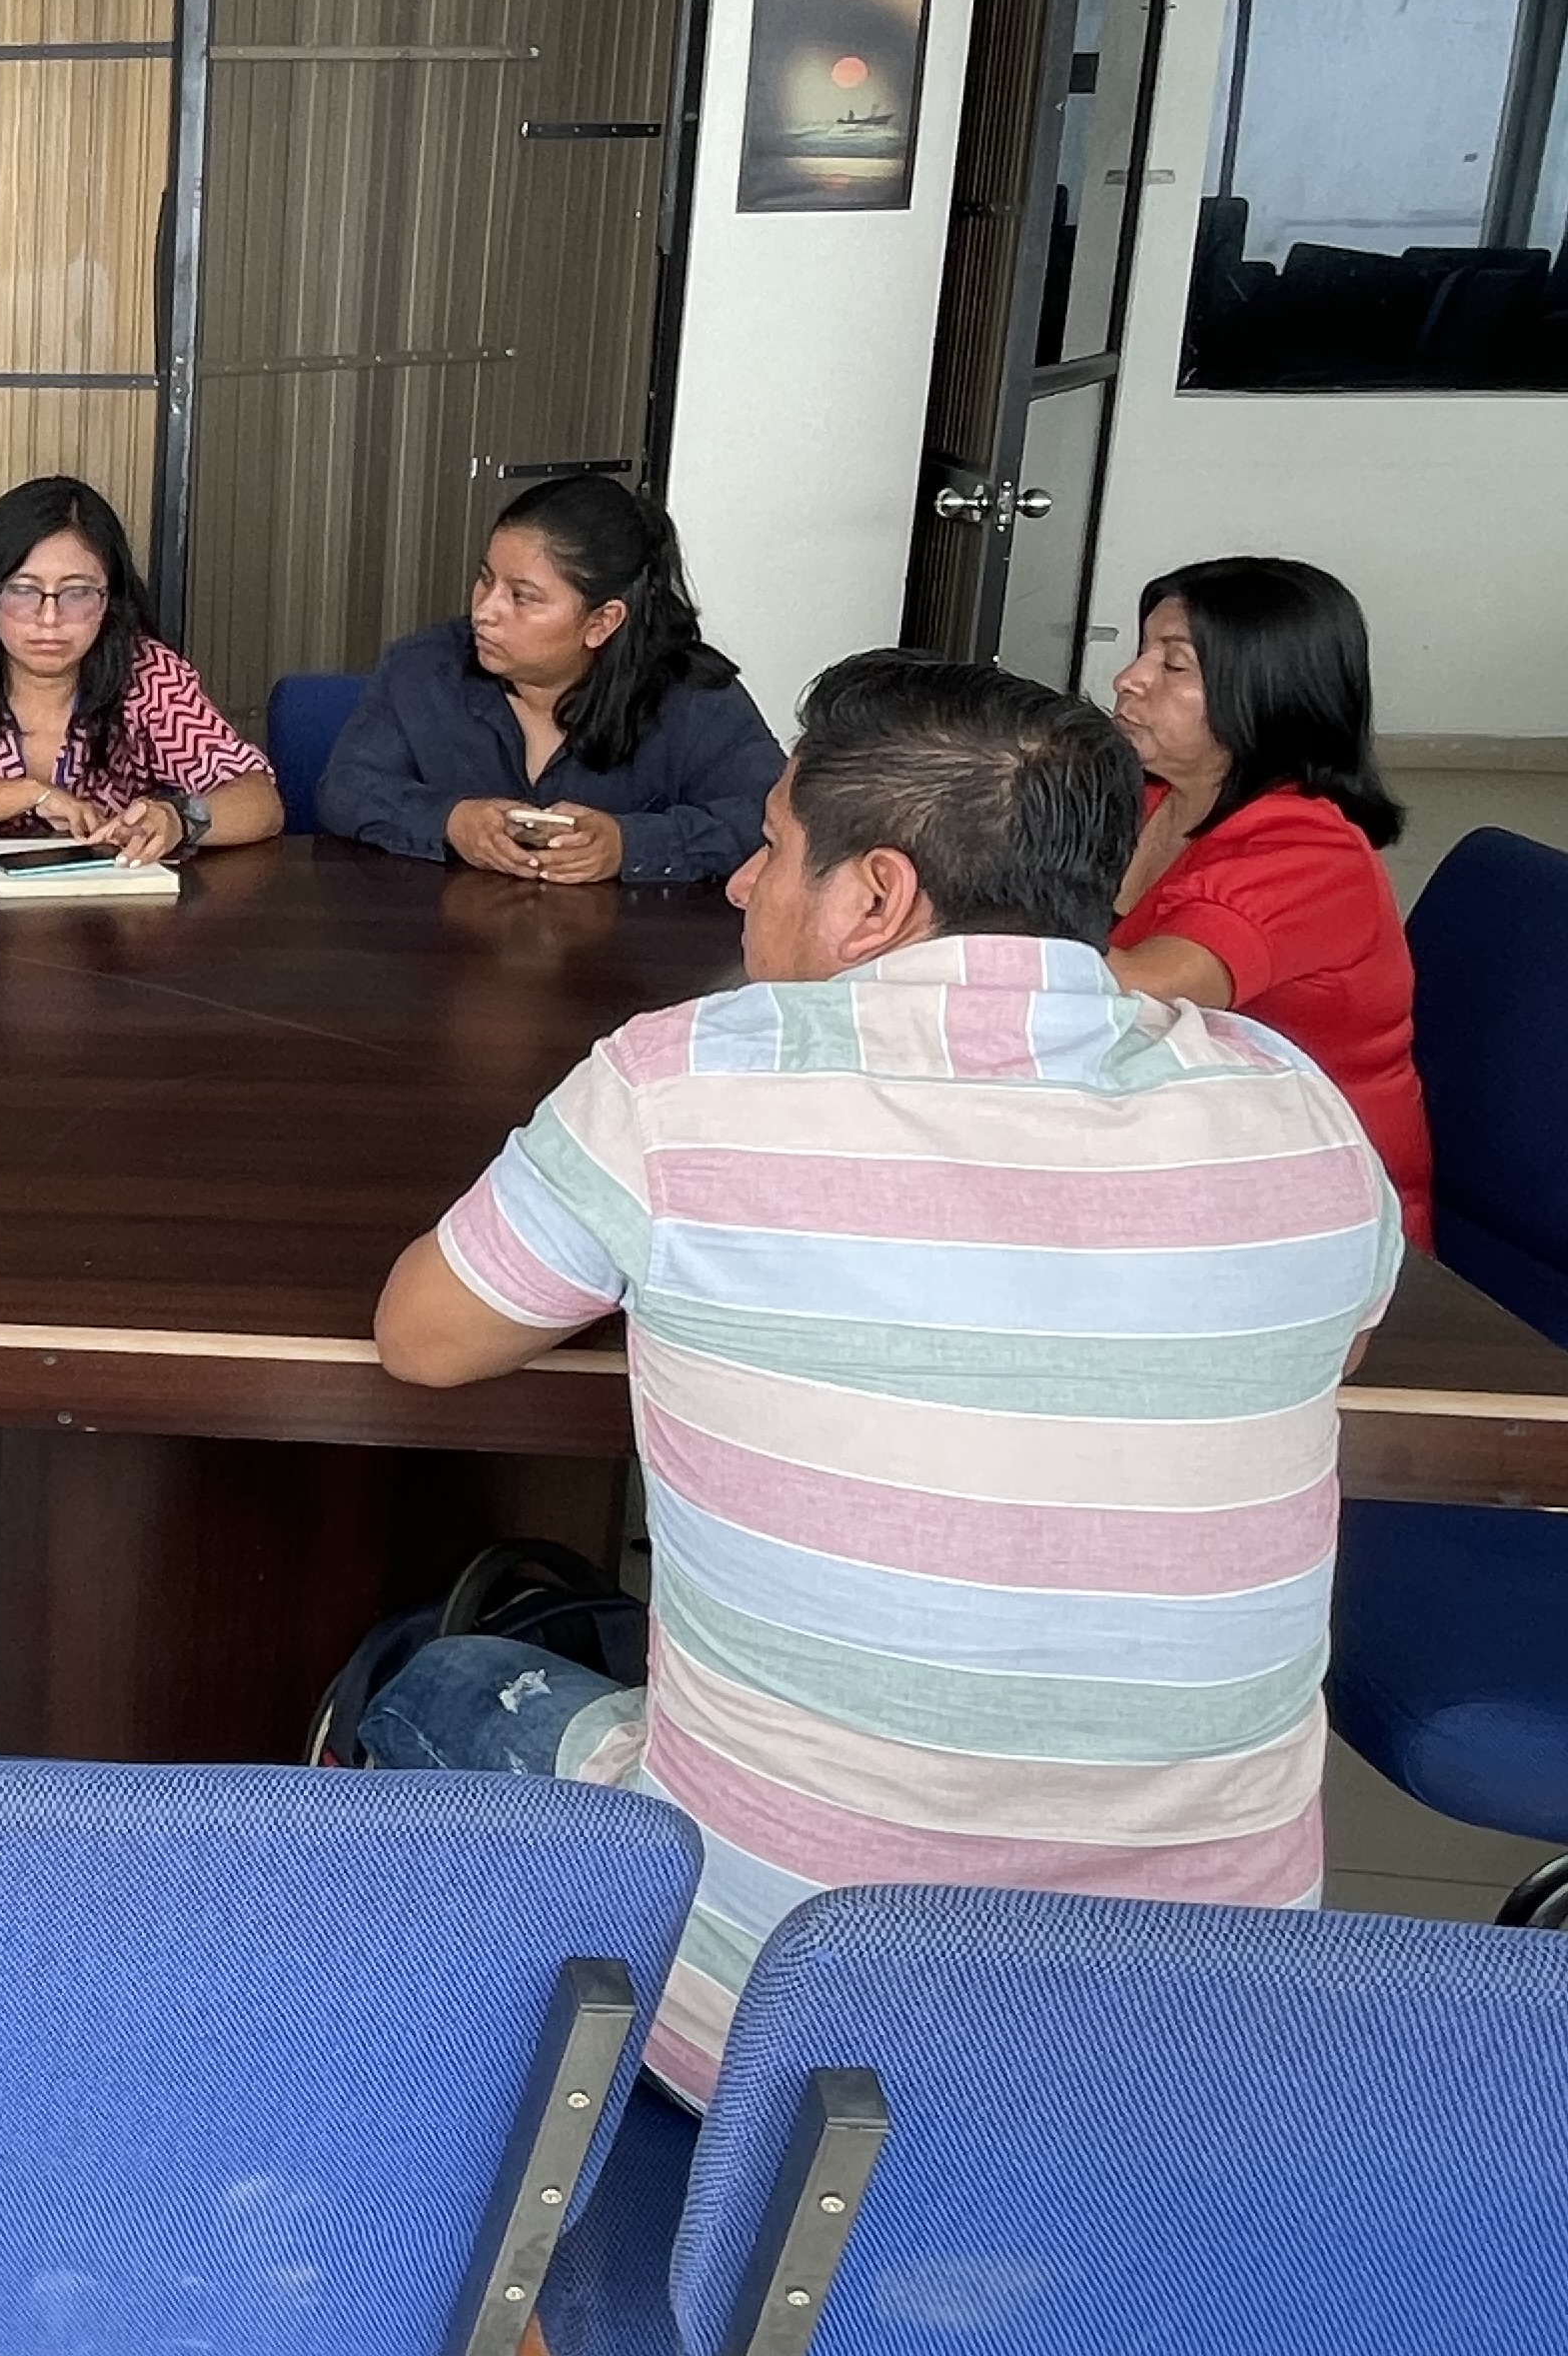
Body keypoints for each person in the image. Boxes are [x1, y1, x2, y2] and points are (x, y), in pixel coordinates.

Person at [363, 653, 1400, 2110]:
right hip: (1212, 2035)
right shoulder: (1290, 1103)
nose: (742, 885)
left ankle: (448, 2126)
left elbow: (424, 1338)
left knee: (439, 1677)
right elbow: (1334, 1343)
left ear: (876, 897)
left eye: (773, 848)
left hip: (796, 2018)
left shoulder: (685, 1083)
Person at [1108, 556, 1433, 1243]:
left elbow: (1132, 993)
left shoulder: (1311, 854)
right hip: (1189, 1145)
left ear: (1266, 692)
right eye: (1142, 652)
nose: (1128, 679)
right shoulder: (1150, 799)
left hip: (1322, 1217)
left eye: (1174, 665)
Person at [316, 473, 781, 885]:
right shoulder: (424, 668)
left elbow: (771, 817)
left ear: (602, 622)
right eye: (485, 579)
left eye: (522, 597)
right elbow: (345, 789)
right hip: (450, 941)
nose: (484, 611)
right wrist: (450, 821)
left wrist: (628, 844)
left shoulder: (694, 697)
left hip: (629, 949)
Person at [0, 475, 280, 863]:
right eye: (24, 590)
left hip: (104, 917)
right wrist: (32, 795)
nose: (49, 618)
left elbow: (259, 800)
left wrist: (178, 819)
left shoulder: (148, 676)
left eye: (77, 593)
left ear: (110, 600)